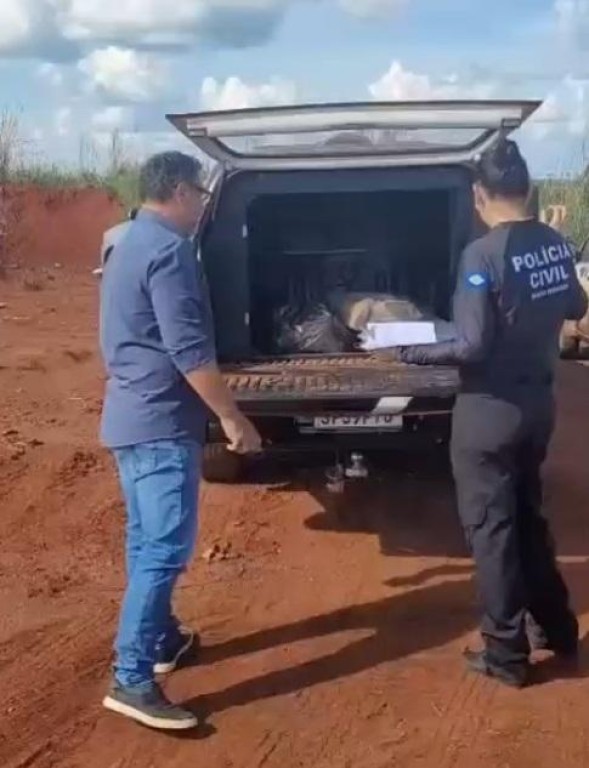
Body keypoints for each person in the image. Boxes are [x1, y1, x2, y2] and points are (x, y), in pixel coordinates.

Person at [398, 139, 588, 688]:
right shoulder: (554, 243)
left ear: (479, 195)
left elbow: (472, 344)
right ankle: (557, 629)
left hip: (488, 413)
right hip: (538, 407)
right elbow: (576, 307)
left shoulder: (482, 255)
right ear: (528, 189)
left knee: (492, 531)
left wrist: (410, 351)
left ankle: (506, 653)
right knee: (527, 517)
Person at [99, 151, 262, 730]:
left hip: (129, 417)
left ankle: (163, 638)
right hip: (162, 424)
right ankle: (132, 678)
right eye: (201, 193)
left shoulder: (126, 243)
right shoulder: (170, 252)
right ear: (179, 191)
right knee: (164, 549)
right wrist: (233, 419)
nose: (203, 204)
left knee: (146, 540)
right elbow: (188, 350)